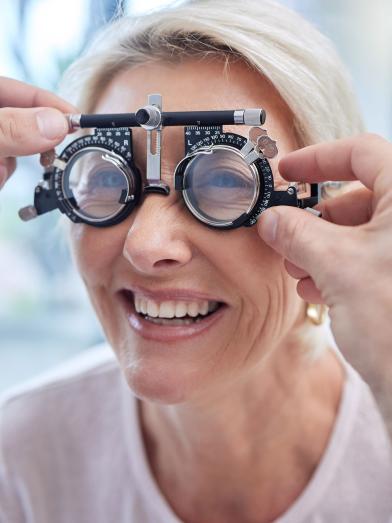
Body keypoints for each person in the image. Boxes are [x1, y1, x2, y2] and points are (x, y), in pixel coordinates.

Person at [0, 1, 391, 522]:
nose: (146, 243)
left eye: (228, 179)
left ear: (334, 211)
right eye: (108, 179)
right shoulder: (22, 455)